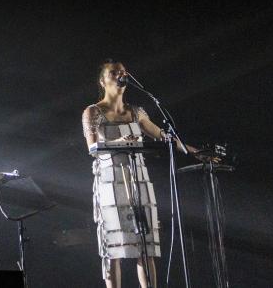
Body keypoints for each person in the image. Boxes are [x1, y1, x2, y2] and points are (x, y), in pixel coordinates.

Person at [82, 59, 199, 288]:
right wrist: (119, 141)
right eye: (114, 72)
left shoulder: (136, 112)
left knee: (145, 244)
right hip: (110, 180)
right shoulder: (93, 112)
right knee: (113, 246)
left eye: (123, 72)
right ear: (102, 81)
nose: (120, 75)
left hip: (138, 179)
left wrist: (195, 151)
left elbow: (163, 136)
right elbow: (92, 148)